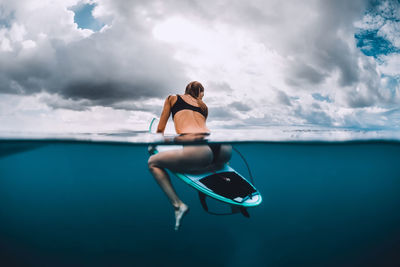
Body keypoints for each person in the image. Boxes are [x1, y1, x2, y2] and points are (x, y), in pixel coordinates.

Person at [148, 81, 232, 231]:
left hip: (200, 152)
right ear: (200, 92)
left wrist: (152, 145)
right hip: (224, 149)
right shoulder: (203, 107)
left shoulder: (172, 98)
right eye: (203, 94)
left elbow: (160, 128)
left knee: (153, 162)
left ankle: (178, 205)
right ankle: (230, 197)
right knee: (210, 165)